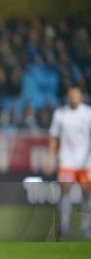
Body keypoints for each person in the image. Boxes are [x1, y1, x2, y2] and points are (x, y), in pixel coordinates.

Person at [44, 86, 91, 239]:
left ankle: (85, 226)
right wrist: (49, 159)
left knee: (86, 193)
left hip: (86, 161)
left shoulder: (88, 113)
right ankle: (64, 225)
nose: (73, 98)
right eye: (71, 96)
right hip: (67, 160)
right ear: (68, 97)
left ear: (81, 97)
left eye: (76, 95)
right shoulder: (60, 114)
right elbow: (54, 137)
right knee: (65, 191)